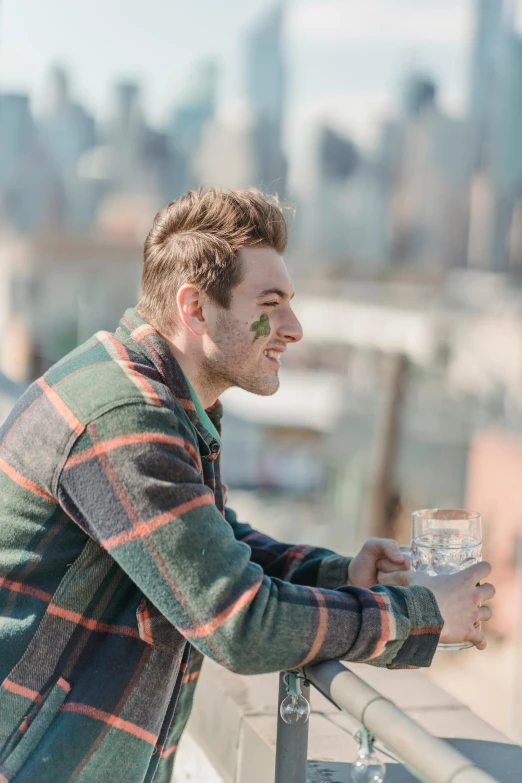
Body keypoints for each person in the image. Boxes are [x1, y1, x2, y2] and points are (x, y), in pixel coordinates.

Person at [0, 188, 494, 783]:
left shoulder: (157, 398)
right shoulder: (122, 417)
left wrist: (342, 577)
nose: (294, 327)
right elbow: (239, 623)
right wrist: (420, 613)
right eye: (271, 302)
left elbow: (212, 544)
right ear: (196, 309)